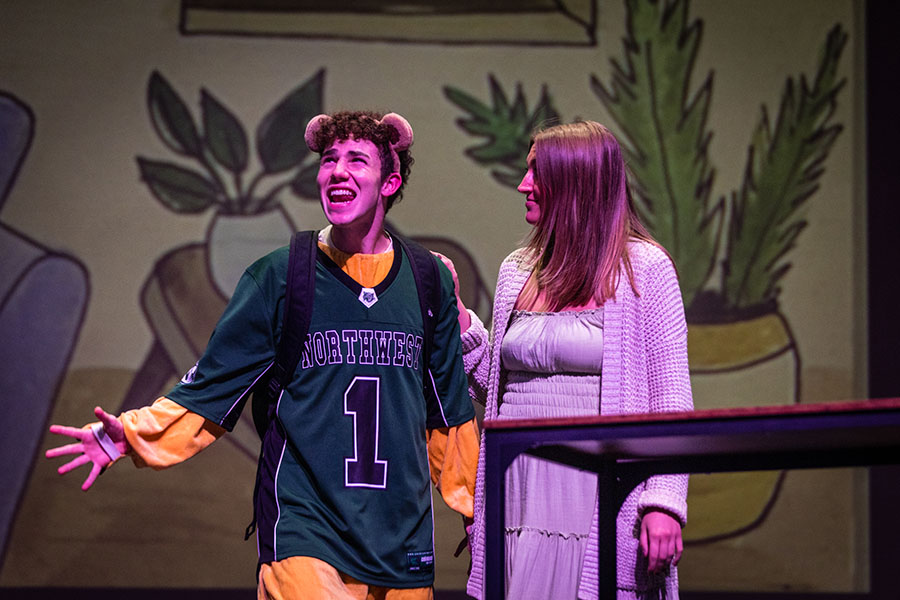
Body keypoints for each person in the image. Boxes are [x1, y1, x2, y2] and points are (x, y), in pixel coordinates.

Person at [45, 110, 480, 600]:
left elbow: (449, 412)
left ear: (390, 181)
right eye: (329, 159)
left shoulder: (428, 280)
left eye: (356, 160)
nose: (336, 171)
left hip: (399, 535)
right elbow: (213, 387)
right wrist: (131, 435)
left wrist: (475, 509)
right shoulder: (280, 277)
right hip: (305, 526)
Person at [449, 120, 692, 599]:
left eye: (536, 172)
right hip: (518, 490)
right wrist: (458, 319)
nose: (523, 185)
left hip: (593, 493)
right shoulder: (517, 270)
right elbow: (498, 388)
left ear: (575, 182)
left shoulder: (644, 269)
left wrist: (664, 499)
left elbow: (671, 397)